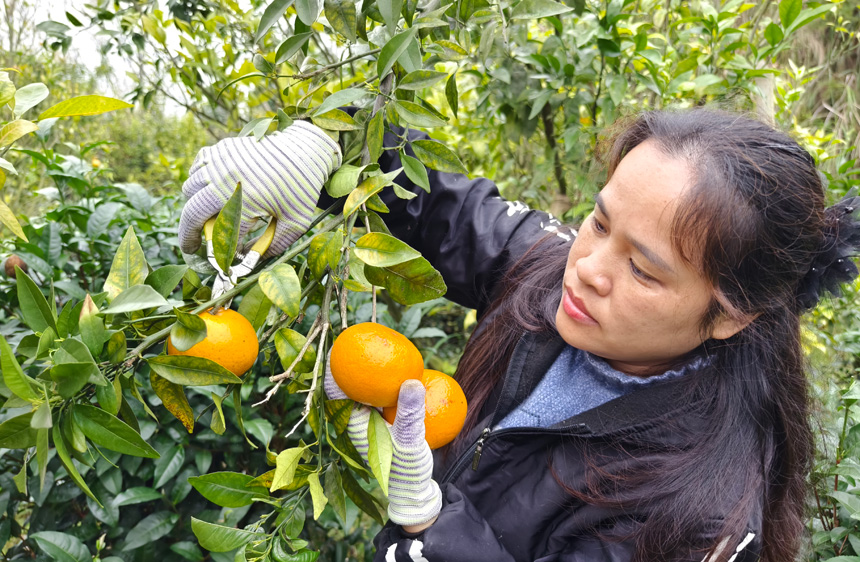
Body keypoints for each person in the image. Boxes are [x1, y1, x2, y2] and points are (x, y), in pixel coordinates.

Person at [177, 110, 860, 562]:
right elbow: (438, 205)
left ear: (732, 314)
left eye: (643, 270)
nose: (586, 268)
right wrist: (326, 149)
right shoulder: (546, 270)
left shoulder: (699, 515)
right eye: (599, 222)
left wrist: (432, 525)